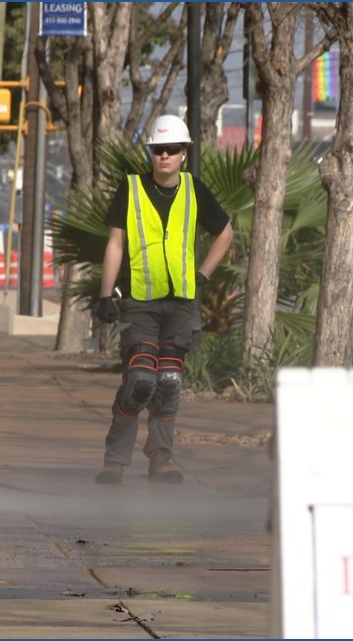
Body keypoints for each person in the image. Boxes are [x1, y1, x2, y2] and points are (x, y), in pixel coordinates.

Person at [93, 114, 234, 485]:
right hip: (139, 301)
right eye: (159, 150)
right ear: (150, 153)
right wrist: (105, 295)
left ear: (184, 153)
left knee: (169, 380)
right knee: (140, 378)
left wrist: (203, 274)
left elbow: (225, 232)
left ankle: (161, 458)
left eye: (172, 150)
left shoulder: (194, 189)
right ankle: (115, 460)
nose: (165, 156)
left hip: (180, 304)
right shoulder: (131, 189)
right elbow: (115, 243)